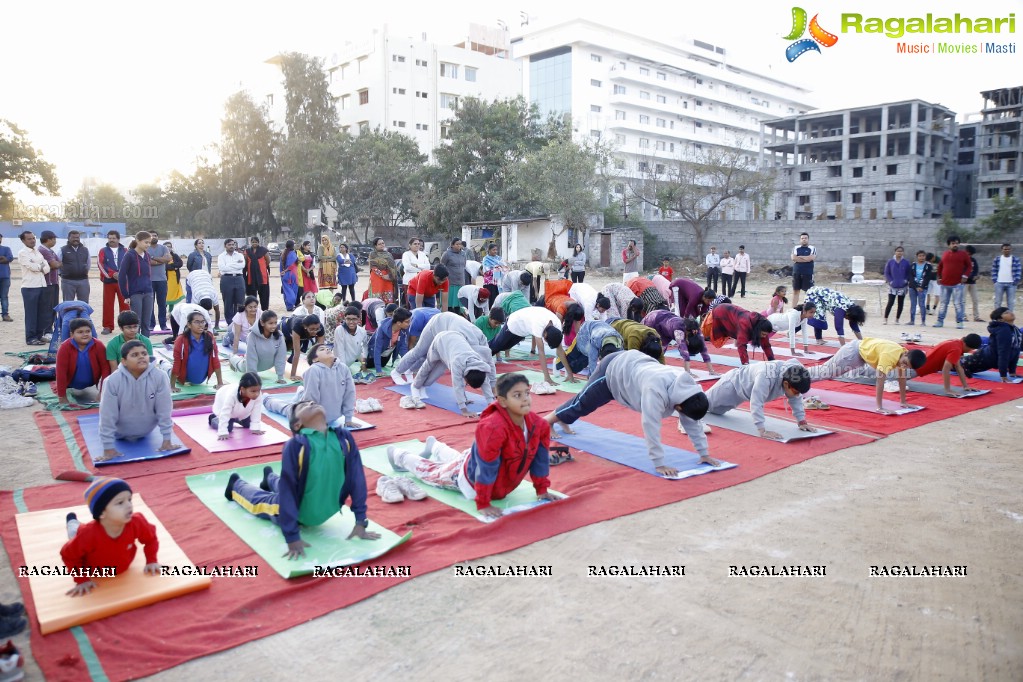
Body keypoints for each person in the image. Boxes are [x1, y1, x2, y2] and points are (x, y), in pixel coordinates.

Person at [225, 399, 379, 560]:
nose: (310, 402)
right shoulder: (296, 445)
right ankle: (236, 485)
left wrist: (361, 521)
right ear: (297, 425)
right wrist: (292, 537)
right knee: (263, 501)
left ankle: (269, 478)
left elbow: (357, 478)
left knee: (303, 480)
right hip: (298, 512)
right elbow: (288, 490)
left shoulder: (344, 438)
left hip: (321, 508)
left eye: (310, 402)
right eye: (303, 406)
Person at [387, 373, 556, 518]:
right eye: (517, 395)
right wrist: (483, 502)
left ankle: (436, 447)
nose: (526, 399)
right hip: (470, 478)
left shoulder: (539, 425)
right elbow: (486, 466)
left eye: (527, 393)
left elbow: (539, 460)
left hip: (481, 461)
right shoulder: (492, 427)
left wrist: (542, 490)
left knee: (461, 459)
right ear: (503, 401)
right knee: (431, 472)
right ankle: (399, 455)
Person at [546, 350, 718, 474]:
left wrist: (704, 454)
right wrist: (659, 464)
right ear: (679, 407)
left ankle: (564, 420)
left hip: (632, 369)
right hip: (612, 370)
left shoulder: (690, 392)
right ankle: (548, 421)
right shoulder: (656, 391)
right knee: (582, 404)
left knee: (584, 406)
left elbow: (692, 423)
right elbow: (651, 426)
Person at [61, 477, 160, 596]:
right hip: (93, 567)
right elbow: (68, 555)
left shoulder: (137, 522)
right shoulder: (88, 534)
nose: (129, 505)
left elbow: (151, 539)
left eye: (129, 499)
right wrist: (81, 580)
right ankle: (71, 520)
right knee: (74, 532)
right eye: (120, 503)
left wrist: (151, 560)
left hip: (120, 565)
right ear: (102, 512)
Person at [99, 340, 177, 461]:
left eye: (144, 353)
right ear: (124, 361)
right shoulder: (111, 381)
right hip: (119, 434)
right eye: (134, 355)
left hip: (146, 431)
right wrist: (108, 447)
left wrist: (167, 440)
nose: (141, 357)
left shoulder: (160, 376)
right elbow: (107, 415)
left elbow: (165, 409)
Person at [705, 361, 815, 440]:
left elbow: (796, 398)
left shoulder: (795, 373)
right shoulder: (765, 376)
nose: (797, 395)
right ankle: (689, 396)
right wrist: (762, 430)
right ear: (786, 384)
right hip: (732, 385)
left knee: (717, 412)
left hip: (742, 393)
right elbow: (756, 402)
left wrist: (801, 421)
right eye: (796, 392)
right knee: (703, 405)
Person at [809, 337, 927, 411]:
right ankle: (797, 377)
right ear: (906, 355)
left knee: (829, 372)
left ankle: (800, 378)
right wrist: (879, 407)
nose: (903, 367)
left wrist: (903, 402)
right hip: (854, 352)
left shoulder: (903, 355)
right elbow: (880, 381)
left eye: (907, 366)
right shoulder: (890, 356)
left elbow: (902, 378)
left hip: (863, 356)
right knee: (827, 372)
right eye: (904, 363)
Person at [264, 344, 357, 428]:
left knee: (302, 395)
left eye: (327, 348)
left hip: (331, 417)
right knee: (287, 409)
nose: (327, 349)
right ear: (315, 359)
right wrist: (313, 422)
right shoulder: (314, 370)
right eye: (322, 349)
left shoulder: (343, 368)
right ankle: (267, 399)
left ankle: (301, 392)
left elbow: (350, 393)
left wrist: (348, 419)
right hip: (306, 413)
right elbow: (311, 399)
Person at [407, 331, 495, 418]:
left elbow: (486, 384)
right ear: (466, 378)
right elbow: (457, 385)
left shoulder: (480, 365)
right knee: (428, 365)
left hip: (456, 339)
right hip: (440, 341)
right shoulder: (457, 363)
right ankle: (415, 385)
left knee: (435, 375)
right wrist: (464, 409)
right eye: (467, 383)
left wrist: (492, 405)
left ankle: (422, 384)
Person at [488, 306, 572, 385]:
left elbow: (560, 349)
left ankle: (485, 354)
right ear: (545, 335)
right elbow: (541, 352)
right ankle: (480, 354)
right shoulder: (538, 324)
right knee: (496, 346)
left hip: (523, 330)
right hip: (513, 324)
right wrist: (547, 378)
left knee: (504, 347)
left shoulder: (557, 325)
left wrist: (570, 374)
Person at [642, 309, 719, 376]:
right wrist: (688, 372)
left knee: (661, 351)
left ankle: (654, 367)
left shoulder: (696, 329)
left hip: (665, 327)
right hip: (654, 319)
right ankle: (643, 365)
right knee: (650, 346)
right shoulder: (679, 330)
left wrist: (711, 371)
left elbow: (703, 348)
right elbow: (683, 350)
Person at [56, 318, 110, 407]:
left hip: (93, 383)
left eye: (88, 331)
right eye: (80, 332)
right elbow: (60, 372)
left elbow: (105, 368)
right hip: (71, 384)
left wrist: (102, 392)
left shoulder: (98, 345)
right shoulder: (64, 347)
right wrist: (62, 396)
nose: (85, 334)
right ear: (72, 335)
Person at [702, 303, 775, 365]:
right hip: (720, 312)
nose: (764, 336)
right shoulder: (745, 324)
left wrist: (772, 361)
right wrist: (745, 364)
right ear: (758, 330)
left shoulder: (762, 326)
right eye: (763, 334)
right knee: (704, 333)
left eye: (766, 335)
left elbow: (766, 345)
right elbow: (741, 345)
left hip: (733, 313)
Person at [961, 307, 1022, 382]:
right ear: (1001, 320)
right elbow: (1003, 352)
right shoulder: (1004, 330)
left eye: (1009, 311)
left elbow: (1016, 350)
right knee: (956, 364)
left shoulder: (1015, 330)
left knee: (959, 364)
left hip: (988, 358)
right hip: (983, 357)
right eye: (1006, 313)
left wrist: (1012, 372)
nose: (1010, 313)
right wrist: (1003, 376)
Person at [912, 334, 984, 396]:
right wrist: (948, 390)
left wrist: (966, 386)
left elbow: (959, 367)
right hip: (916, 369)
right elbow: (945, 369)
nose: (969, 351)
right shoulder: (957, 349)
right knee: (902, 378)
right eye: (970, 349)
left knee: (902, 376)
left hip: (917, 365)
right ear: (966, 345)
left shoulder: (957, 343)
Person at [170, 311, 224, 392]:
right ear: (189, 325)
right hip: (182, 377)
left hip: (200, 380)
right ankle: (163, 363)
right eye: (197, 322)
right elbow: (177, 363)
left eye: (202, 322)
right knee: (168, 370)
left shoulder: (209, 337)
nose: (201, 324)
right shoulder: (181, 340)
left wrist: (220, 383)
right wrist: (172, 386)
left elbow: (215, 359)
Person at [118, 231, 155, 340]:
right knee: (136, 322)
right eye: (146, 242)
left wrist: (150, 289)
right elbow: (121, 275)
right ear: (138, 241)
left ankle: (146, 346)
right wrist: (126, 295)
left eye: (149, 243)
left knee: (146, 323)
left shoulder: (147, 255)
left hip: (148, 292)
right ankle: (135, 345)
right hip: (135, 293)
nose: (148, 245)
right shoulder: (129, 255)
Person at [17, 231, 51, 345]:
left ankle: (39, 335)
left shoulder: (38, 252)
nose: (32, 240)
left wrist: (40, 266)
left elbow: (47, 268)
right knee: (31, 314)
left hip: (41, 285)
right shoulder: (22, 253)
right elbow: (32, 267)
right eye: (29, 239)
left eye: (33, 238)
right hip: (30, 287)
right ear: (23, 241)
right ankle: (31, 338)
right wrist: (40, 266)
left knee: (42, 313)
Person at [235, 310, 288, 384]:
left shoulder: (279, 335)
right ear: (262, 323)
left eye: (275, 323)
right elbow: (251, 358)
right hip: (248, 364)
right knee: (239, 364)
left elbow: (281, 356)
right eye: (270, 323)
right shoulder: (252, 336)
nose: (274, 326)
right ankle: (232, 359)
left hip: (268, 365)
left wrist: (280, 377)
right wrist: (253, 378)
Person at [209, 373, 267, 439]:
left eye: (258, 390)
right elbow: (225, 413)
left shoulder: (257, 395)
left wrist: (256, 428)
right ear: (243, 389)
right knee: (228, 428)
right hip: (225, 410)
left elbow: (257, 411)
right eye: (253, 391)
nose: (256, 394)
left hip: (242, 412)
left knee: (249, 425)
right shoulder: (231, 395)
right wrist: (222, 432)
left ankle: (236, 419)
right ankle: (214, 419)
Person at [934, 235, 972, 329]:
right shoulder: (945, 254)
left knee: (958, 304)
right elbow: (940, 266)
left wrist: (965, 276)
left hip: (957, 284)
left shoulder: (963, 254)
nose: (955, 245)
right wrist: (939, 277)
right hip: (945, 284)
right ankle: (940, 321)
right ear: (949, 245)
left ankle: (959, 322)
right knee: (943, 304)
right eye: (953, 243)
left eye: (956, 243)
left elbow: (969, 266)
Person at [96, 230, 128, 334]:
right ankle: (108, 326)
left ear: (118, 239)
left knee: (125, 304)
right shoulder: (103, 250)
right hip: (108, 281)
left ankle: (126, 325)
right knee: (108, 304)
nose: (111, 240)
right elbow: (101, 264)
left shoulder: (125, 250)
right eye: (110, 238)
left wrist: (122, 275)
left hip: (122, 282)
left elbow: (128, 264)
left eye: (114, 238)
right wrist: (112, 274)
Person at [368, 307, 412, 374]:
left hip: (386, 353)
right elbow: (377, 349)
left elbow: (403, 349)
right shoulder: (382, 329)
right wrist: (378, 370)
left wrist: (408, 367)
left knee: (383, 365)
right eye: (407, 322)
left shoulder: (404, 329)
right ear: (398, 323)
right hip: (373, 352)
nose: (409, 323)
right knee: (368, 365)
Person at [282, 314, 325, 380]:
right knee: (284, 350)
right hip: (285, 328)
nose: (315, 332)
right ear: (305, 326)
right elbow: (296, 353)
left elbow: (321, 350)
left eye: (317, 329)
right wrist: (293, 375)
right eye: (312, 329)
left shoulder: (320, 328)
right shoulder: (297, 326)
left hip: (304, 335)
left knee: (317, 352)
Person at [146, 230, 172, 333]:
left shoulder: (163, 247)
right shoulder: (145, 248)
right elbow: (147, 261)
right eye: (151, 236)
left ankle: (163, 324)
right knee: (150, 304)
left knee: (162, 304)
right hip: (149, 280)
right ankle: (151, 324)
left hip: (162, 280)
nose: (154, 237)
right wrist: (161, 260)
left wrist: (153, 258)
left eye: (155, 235)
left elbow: (168, 259)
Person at [38, 230, 61, 337]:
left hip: (54, 282)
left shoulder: (50, 251)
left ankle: (49, 330)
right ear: (48, 239)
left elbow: (58, 263)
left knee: (53, 307)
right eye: (54, 239)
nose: (55, 241)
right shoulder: (43, 250)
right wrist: (55, 264)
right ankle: (46, 331)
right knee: (47, 308)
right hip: (48, 283)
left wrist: (56, 264)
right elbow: (55, 264)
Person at [333, 306, 369, 374]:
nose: (351, 322)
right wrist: (344, 371)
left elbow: (363, 348)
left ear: (359, 319)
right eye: (348, 319)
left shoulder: (362, 331)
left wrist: (363, 363)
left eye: (354, 319)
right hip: (336, 364)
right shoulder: (340, 330)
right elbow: (341, 352)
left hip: (348, 365)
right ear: (344, 318)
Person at [883, 246, 913, 325]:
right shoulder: (890, 262)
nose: (899, 253)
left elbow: (908, 273)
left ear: (903, 252)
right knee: (890, 302)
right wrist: (890, 281)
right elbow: (887, 272)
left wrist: (906, 280)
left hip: (902, 286)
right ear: (895, 252)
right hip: (892, 286)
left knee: (900, 303)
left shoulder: (906, 262)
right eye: (898, 251)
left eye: (901, 251)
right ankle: (885, 318)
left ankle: (897, 319)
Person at [217, 238, 246, 321]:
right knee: (228, 302)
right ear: (225, 246)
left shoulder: (240, 255)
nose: (231, 246)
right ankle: (230, 322)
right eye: (229, 245)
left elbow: (242, 266)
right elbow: (222, 268)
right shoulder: (221, 256)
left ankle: (239, 321)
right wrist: (235, 264)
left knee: (240, 301)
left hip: (239, 278)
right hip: (226, 279)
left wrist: (228, 265)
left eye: (233, 244)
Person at [59, 229, 91, 302]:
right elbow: (59, 263)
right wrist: (62, 274)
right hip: (68, 281)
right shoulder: (62, 250)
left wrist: (84, 272)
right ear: (68, 238)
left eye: (77, 237)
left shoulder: (85, 250)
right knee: (68, 304)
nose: (75, 239)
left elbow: (88, 264)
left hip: (83, 281)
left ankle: (82, 314)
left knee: (84, 304)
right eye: (73, 237)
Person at [440, 237, 467, 313]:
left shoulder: (463, 254)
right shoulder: (447, 254)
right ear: (452, 245)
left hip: (460, 281)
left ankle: (458, 313)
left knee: (459, 303)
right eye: (457, 244)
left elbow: (464, 265)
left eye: (460, 244)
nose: (459, 246)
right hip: (450, 282)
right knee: (449, 303)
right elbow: (442, 266)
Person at [908, 250, 935, 326]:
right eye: (920, 256)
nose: (921, 257)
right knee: (913, 303)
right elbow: (911, 277)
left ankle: (923, 321)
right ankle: (912, 320)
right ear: (917, 257)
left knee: (922, 304)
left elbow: (927, 277)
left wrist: (922, 287)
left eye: (923, 256)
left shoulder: (928, 266)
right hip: (913, 287)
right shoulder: (913, 265)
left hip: (923, 288)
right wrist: (916, 286)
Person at [368, 237, 399, 304]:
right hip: (378, 278)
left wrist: (390, 276)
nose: (382, 245)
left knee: (388, 299)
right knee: (378, 300)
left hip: (389, 278)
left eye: (383, 243)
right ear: (375, 246)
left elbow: (393, 267)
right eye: (379, 244)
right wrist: (382, 275)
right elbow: (373, 267)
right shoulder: (373, 254)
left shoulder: (388, 254)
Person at [243, 237, 271, 310]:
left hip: (262, 276)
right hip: (251, 276)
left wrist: (262, 267)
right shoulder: (247, 251)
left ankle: (264, 310)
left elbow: (268, 261)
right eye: (253, 242)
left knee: (264, 295)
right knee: (252, 295)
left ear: (258, 242)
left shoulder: (263, 250)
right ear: (250, 243)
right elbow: (245, 262)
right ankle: (253, 310)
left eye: (256, 242)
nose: (254, 243)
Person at [991, 243, 1020, 313]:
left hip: (1011, 284)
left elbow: (1018, 271)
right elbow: (993, 270)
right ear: (1002, 250)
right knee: (997, 302)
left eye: (1008, 249)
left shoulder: (1015, 259)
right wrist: (995, 281)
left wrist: (1016, 281)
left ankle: (1009, 319)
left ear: (1011, 250)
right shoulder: (997, 259)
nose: (1007, 250)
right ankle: (997, 318)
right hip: (999, 283)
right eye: (1005, 249)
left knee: (1011, 303)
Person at [790, 232, 816, 306]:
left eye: (805, 238)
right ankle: (793, 309)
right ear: (800, 240)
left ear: (808, 239)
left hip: (807, 273)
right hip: (797, 272)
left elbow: (811, 258)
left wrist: (799, 257)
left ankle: (807, 309)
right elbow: (793, 258)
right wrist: (805, 259)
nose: (804, 240)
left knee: (808, 292)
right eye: (802, 238)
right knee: (795, 291)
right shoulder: (796, 248)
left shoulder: (812, 248)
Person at [164, 241, 185, 313]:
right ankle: (164, 310)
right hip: (166, 278)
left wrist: (173, 266)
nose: (168, 248)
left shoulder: (175, 255)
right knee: (166, 294)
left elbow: (180, 263)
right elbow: (165, 266)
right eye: (166, 246)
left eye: (169, 246)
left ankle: (171, 310)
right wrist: (174, 267)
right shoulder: (162, 256)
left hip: (174, 279)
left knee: (172, 294)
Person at [964, 245, 982, 323]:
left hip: (972, 283)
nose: (970, 255)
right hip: (964, 283)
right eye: (969, 253)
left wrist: (976, 276)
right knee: (962, 300)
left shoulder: (973, 260)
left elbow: (976, 270)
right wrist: (971, 276)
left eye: (971, 254)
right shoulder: (962, 260)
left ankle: (976, 317)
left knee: (975, 300)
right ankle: (963, 316)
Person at [280, 240, 300, 311]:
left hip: (284, 275)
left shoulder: (283, 254)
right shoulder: (292, 253)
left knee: (286, 291)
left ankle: (289, 306)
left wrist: (282, 273)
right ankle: (291, 304)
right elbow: (292, 265)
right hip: (292, 274)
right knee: (293, 290)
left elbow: (281, 266)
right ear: (292, 245)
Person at [0, 235, 12, 324]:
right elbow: (5, 259)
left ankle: (5, 315)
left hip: (5, 276)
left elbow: (9, 258)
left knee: (4, 297)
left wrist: (5, 259)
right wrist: (3, 258)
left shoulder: (6, 249)